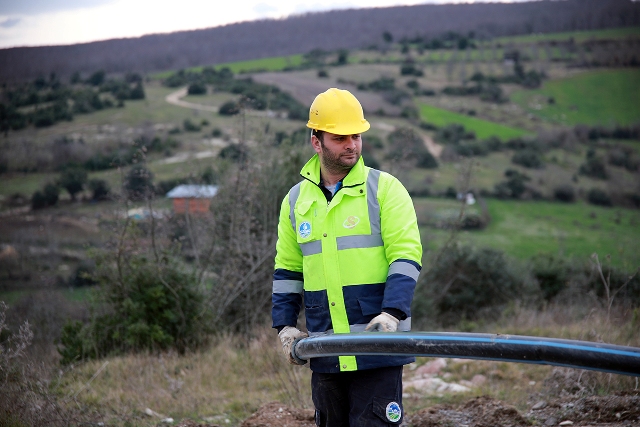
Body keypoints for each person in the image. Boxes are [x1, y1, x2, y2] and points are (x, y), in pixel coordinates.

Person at [271, 88, 422, 426]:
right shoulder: (295, 201)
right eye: (340, 137)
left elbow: (406, 256)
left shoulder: (385, 190)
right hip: (325, 350)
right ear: (316, 141)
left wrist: (392, 314)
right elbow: (288, 271)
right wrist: (285, 327)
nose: (351, 144)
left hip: (378, 350)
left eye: (356, 135)